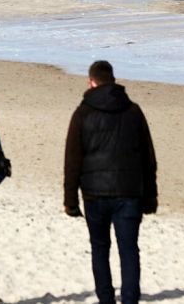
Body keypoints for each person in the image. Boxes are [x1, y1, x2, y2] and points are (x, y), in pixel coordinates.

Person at [63, 60, 158, 304]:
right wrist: (150, 196)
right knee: (128, 250)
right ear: (113, 80)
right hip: (128, 192)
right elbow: (149, 158)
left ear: (91, 82)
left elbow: (72, 159)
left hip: (96, 195)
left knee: (100, 248)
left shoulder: (83, 112)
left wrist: (70, 200)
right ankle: (129, 300)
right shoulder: (133, 111)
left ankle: (106, 300)